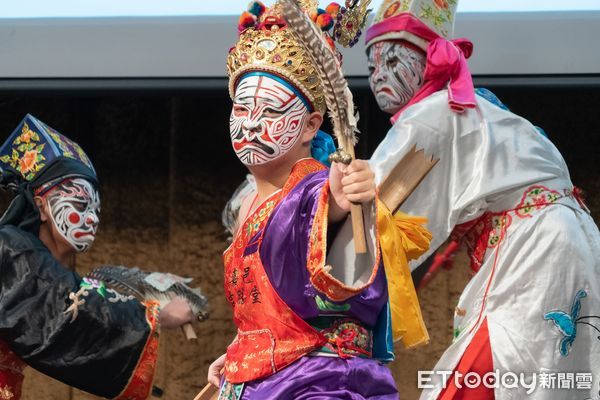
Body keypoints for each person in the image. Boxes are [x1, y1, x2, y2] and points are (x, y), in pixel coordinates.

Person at [360, 0, 600, 398]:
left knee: (474, 382)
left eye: (393, 62)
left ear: (427, 62)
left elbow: (377, 207)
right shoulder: (479, 105)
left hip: (534, 251)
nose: (379, 77)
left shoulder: (433, 114)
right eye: (372, 68)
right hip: (576, 243)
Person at [207, 1, 433, 398]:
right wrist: (241, 351)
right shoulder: (246, 204)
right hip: (257, 381)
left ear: (312, 124)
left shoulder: (313, 190)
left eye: (271, 109)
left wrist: (349, 198)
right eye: (241, 107)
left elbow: (329, 205)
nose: (252, 122)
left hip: (319, 384)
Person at [0, 114, 193, 399]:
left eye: (96, 211)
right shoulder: (11, 247)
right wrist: (156, 313)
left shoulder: (29, 258)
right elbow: (64, 308)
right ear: (41, 207)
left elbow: (70, 298)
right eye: (80, 204)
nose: (90, 219)